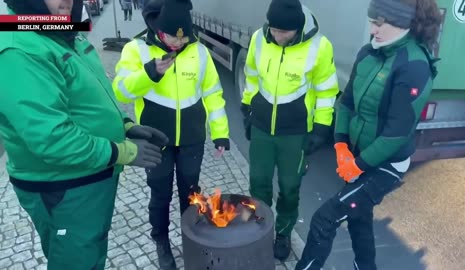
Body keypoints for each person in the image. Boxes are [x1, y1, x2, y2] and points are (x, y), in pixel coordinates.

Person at [0, 0, 169, 269]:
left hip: (89, 178)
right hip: (65, 188)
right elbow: (53, 140)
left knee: (91, 251)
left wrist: (125, 126)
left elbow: (87, 98)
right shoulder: (20, 47)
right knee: (78, 261)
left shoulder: (59, 29)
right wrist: (124, 151)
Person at [295, 0, 442, 269]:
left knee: (325, 219)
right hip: (360, 156)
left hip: (386, 165)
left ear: (401, 23)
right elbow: (347, 102)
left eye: (379, 23)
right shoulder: (368, 53)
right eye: (372, 21)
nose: (372, 29)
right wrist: (340, 145)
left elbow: (396, 134)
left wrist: (357, 166)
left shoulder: (414, 66)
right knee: (358, 217)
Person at [112, 0, 230, 268]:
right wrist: (149, 73)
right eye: (171, 38)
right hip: (156, 140)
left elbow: (213, 94)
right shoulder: (137, 49)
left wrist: (221, 133)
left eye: (183, 37)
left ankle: (191, 238)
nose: (178, 44)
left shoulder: (199, 52)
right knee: (160, 193)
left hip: (192, 139)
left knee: (191, 193)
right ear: (158, 29)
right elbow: (120, 91)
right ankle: (162, 241)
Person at [241, 0, 339, 261]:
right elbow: (251, 75)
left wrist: (321, 128)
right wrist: (247, 108)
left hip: (295, 133)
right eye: (273, 29)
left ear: (298, 28)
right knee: (258, 182)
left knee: (290, 186)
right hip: (262, 128)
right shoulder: (259, 39)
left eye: (284, 32)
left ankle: (283, 233)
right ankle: (259, 228)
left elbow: (326, 91)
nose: (277, 36)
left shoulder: (319, 46)